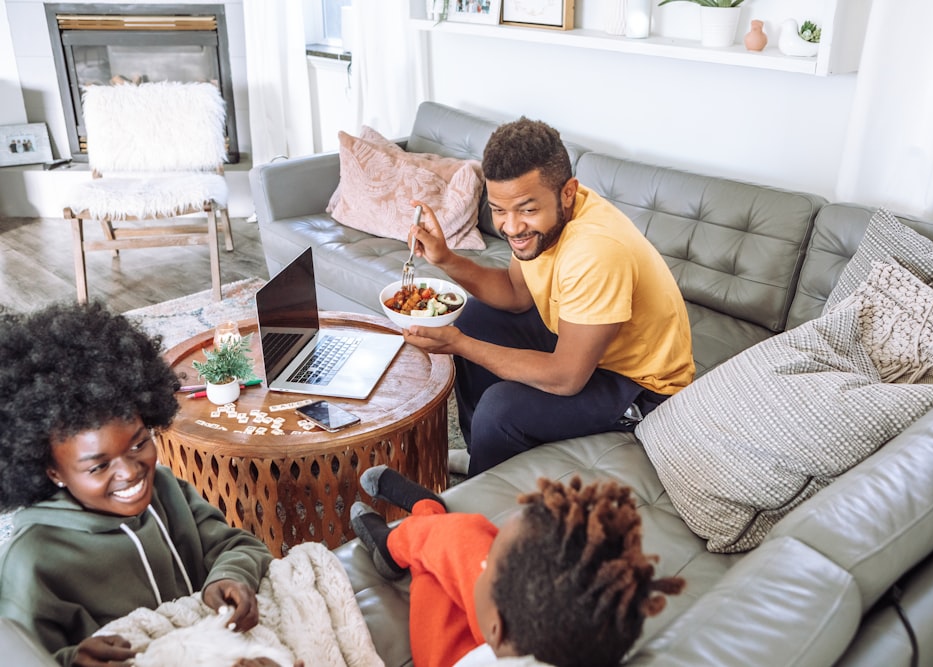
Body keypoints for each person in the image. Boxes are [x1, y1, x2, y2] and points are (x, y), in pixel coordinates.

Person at [403, 117, 695, 476]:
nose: (511, 227)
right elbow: (515, 294)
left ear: (567, 192)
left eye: (526, 209)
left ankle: (484, 490)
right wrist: (445, 259)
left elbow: (566, 377)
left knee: (500, 407)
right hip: (588, 343)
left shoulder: (595, 250)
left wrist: (459, 345)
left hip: (641, 388)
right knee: (473, 318)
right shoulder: (540, 227)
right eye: (498, 210)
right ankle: (485, 453)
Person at [0, 302, 276, 667]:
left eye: (139, 443)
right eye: (99, 465)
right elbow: (25, 658)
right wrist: (74, 660)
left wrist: (228, 577)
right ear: (53, 471)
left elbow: (237, 544)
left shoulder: (164, 488)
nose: (130, 472)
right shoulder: (32, 560)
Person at [351, 465, 685, 667]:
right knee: (458, 544)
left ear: (495, 628)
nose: (486, 557)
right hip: (522, 640)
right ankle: (426, 519)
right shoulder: (586, 639)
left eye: (490, 558)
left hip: (455, 660)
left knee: (450, 550)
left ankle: (410, 532)